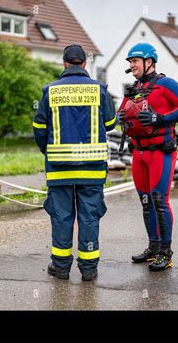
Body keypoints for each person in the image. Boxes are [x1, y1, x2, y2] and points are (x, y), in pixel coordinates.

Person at [33, 44, 117, 281]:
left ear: (63, 63)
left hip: (60, 169)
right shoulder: (100, 90)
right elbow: (111, 124)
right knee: (89, 217)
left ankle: (60, 267)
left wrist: (48, 151)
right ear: (84, 64)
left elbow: (39, 128)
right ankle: (89, 269)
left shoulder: (50, 91)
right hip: (92, 170)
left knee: (61, 216)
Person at [119, 43, 178, 271]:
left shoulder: (166, 84)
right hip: (139, 153)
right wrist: (121, 114)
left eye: (135, 61)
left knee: (159, 200)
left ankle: (166, 252)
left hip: (161, 152)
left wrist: (160, 118)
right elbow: (121, 113)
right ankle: (153, 247)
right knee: (145, 201)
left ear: (149, 62)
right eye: (129, 62)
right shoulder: (134, 88)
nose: (131, 65)